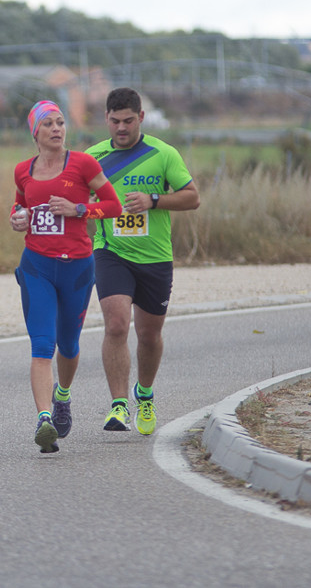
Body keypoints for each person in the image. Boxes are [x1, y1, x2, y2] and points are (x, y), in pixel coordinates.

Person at [86, 87, 200, 436]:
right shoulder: (92, 158)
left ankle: (145, 394)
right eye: (115, 121)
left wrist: (154, 200)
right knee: (116, 325)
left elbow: (192, 198)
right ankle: (118, 405)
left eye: (128, 121)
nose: (122, 128)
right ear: (106, 119)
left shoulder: (163, 154)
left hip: (155, 257)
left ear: (141, 118)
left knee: (149, 335)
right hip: (111, 251)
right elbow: (76, 203)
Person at [10, 100, 122, 453]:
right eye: (48, 124)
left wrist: (79, 209)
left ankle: (62, 396)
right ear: (35, 133)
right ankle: (44, 420)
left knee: (69, 345)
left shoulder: (83, 164)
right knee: (42, 344)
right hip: (37, 266)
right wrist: (18, 217)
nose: (57, 129)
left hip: (76, 268)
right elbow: (20, 204)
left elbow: (114, 206)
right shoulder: (23, 170)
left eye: (60, 122)